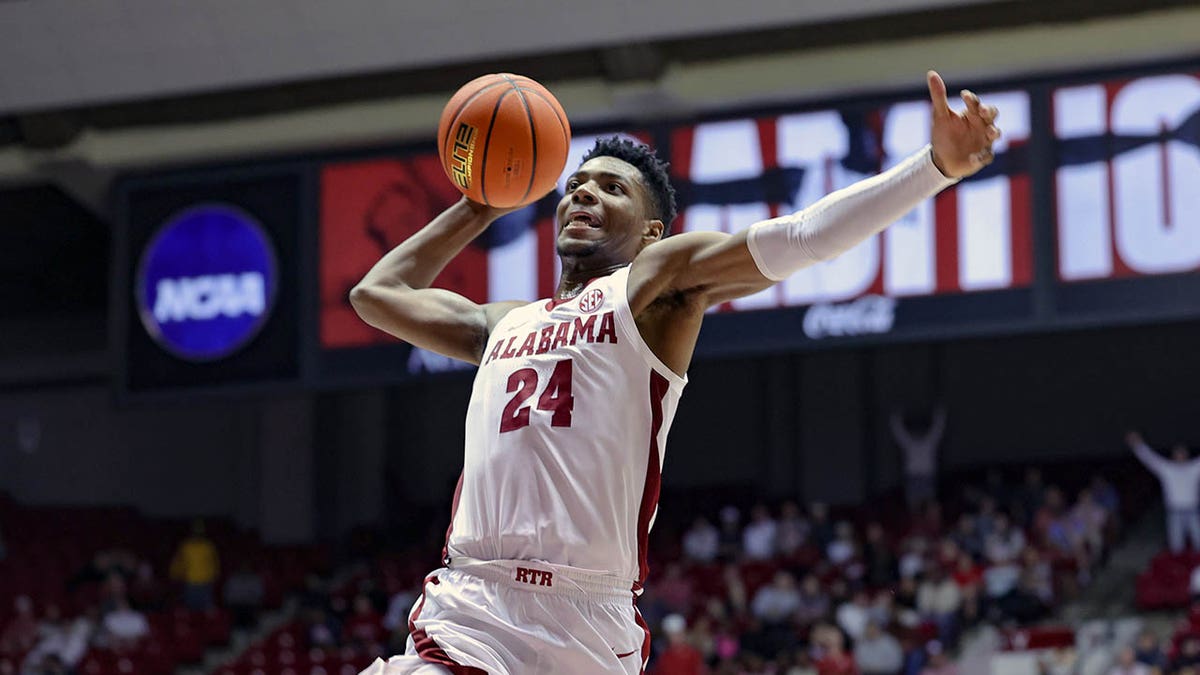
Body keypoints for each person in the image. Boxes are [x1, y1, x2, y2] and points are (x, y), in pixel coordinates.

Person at [352, 70, 1000, 675]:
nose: (584, 191)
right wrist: (483, 202)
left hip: (586, 621)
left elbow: (802, 237)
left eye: (612, 187)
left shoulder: (654, 285)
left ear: (651, 232)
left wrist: (933, 168)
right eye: (578, 182)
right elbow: (376, 293)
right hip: (473, 605)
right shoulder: (503, 323)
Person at [1127, 431, 1200, 553]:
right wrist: (1137, 445)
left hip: (1192, 511)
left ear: (1186, 455)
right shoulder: (1167, 469)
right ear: (1174, 455)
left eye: (1182, 453)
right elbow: (1149, 458)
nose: (1180, 455)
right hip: (1174, 513)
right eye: (1178, 453)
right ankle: (1179, 570)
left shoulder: (1194, 468)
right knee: (1176, 547)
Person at [889, 405, 947, 509]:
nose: (918, 432)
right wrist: (895, 418)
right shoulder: (910, 443)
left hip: (926, 475)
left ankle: (933, 522)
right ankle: (916, 523)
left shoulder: (928, 442)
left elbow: (937, 430)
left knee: (930, 503)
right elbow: (899, 433)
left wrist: (940, 415)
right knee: (913, 504)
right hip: (913, 476)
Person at [169, 519, 220, 611]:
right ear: (191, 532)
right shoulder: (185, 546)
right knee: (190, 609)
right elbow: (178, 563)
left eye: (199, 533)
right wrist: (175, 575)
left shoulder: (208, 546)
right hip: (190, 582)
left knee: (206, 609)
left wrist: (213, 577)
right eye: (195, 532)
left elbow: (214, 563)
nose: (197, 535)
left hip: (206, 582)